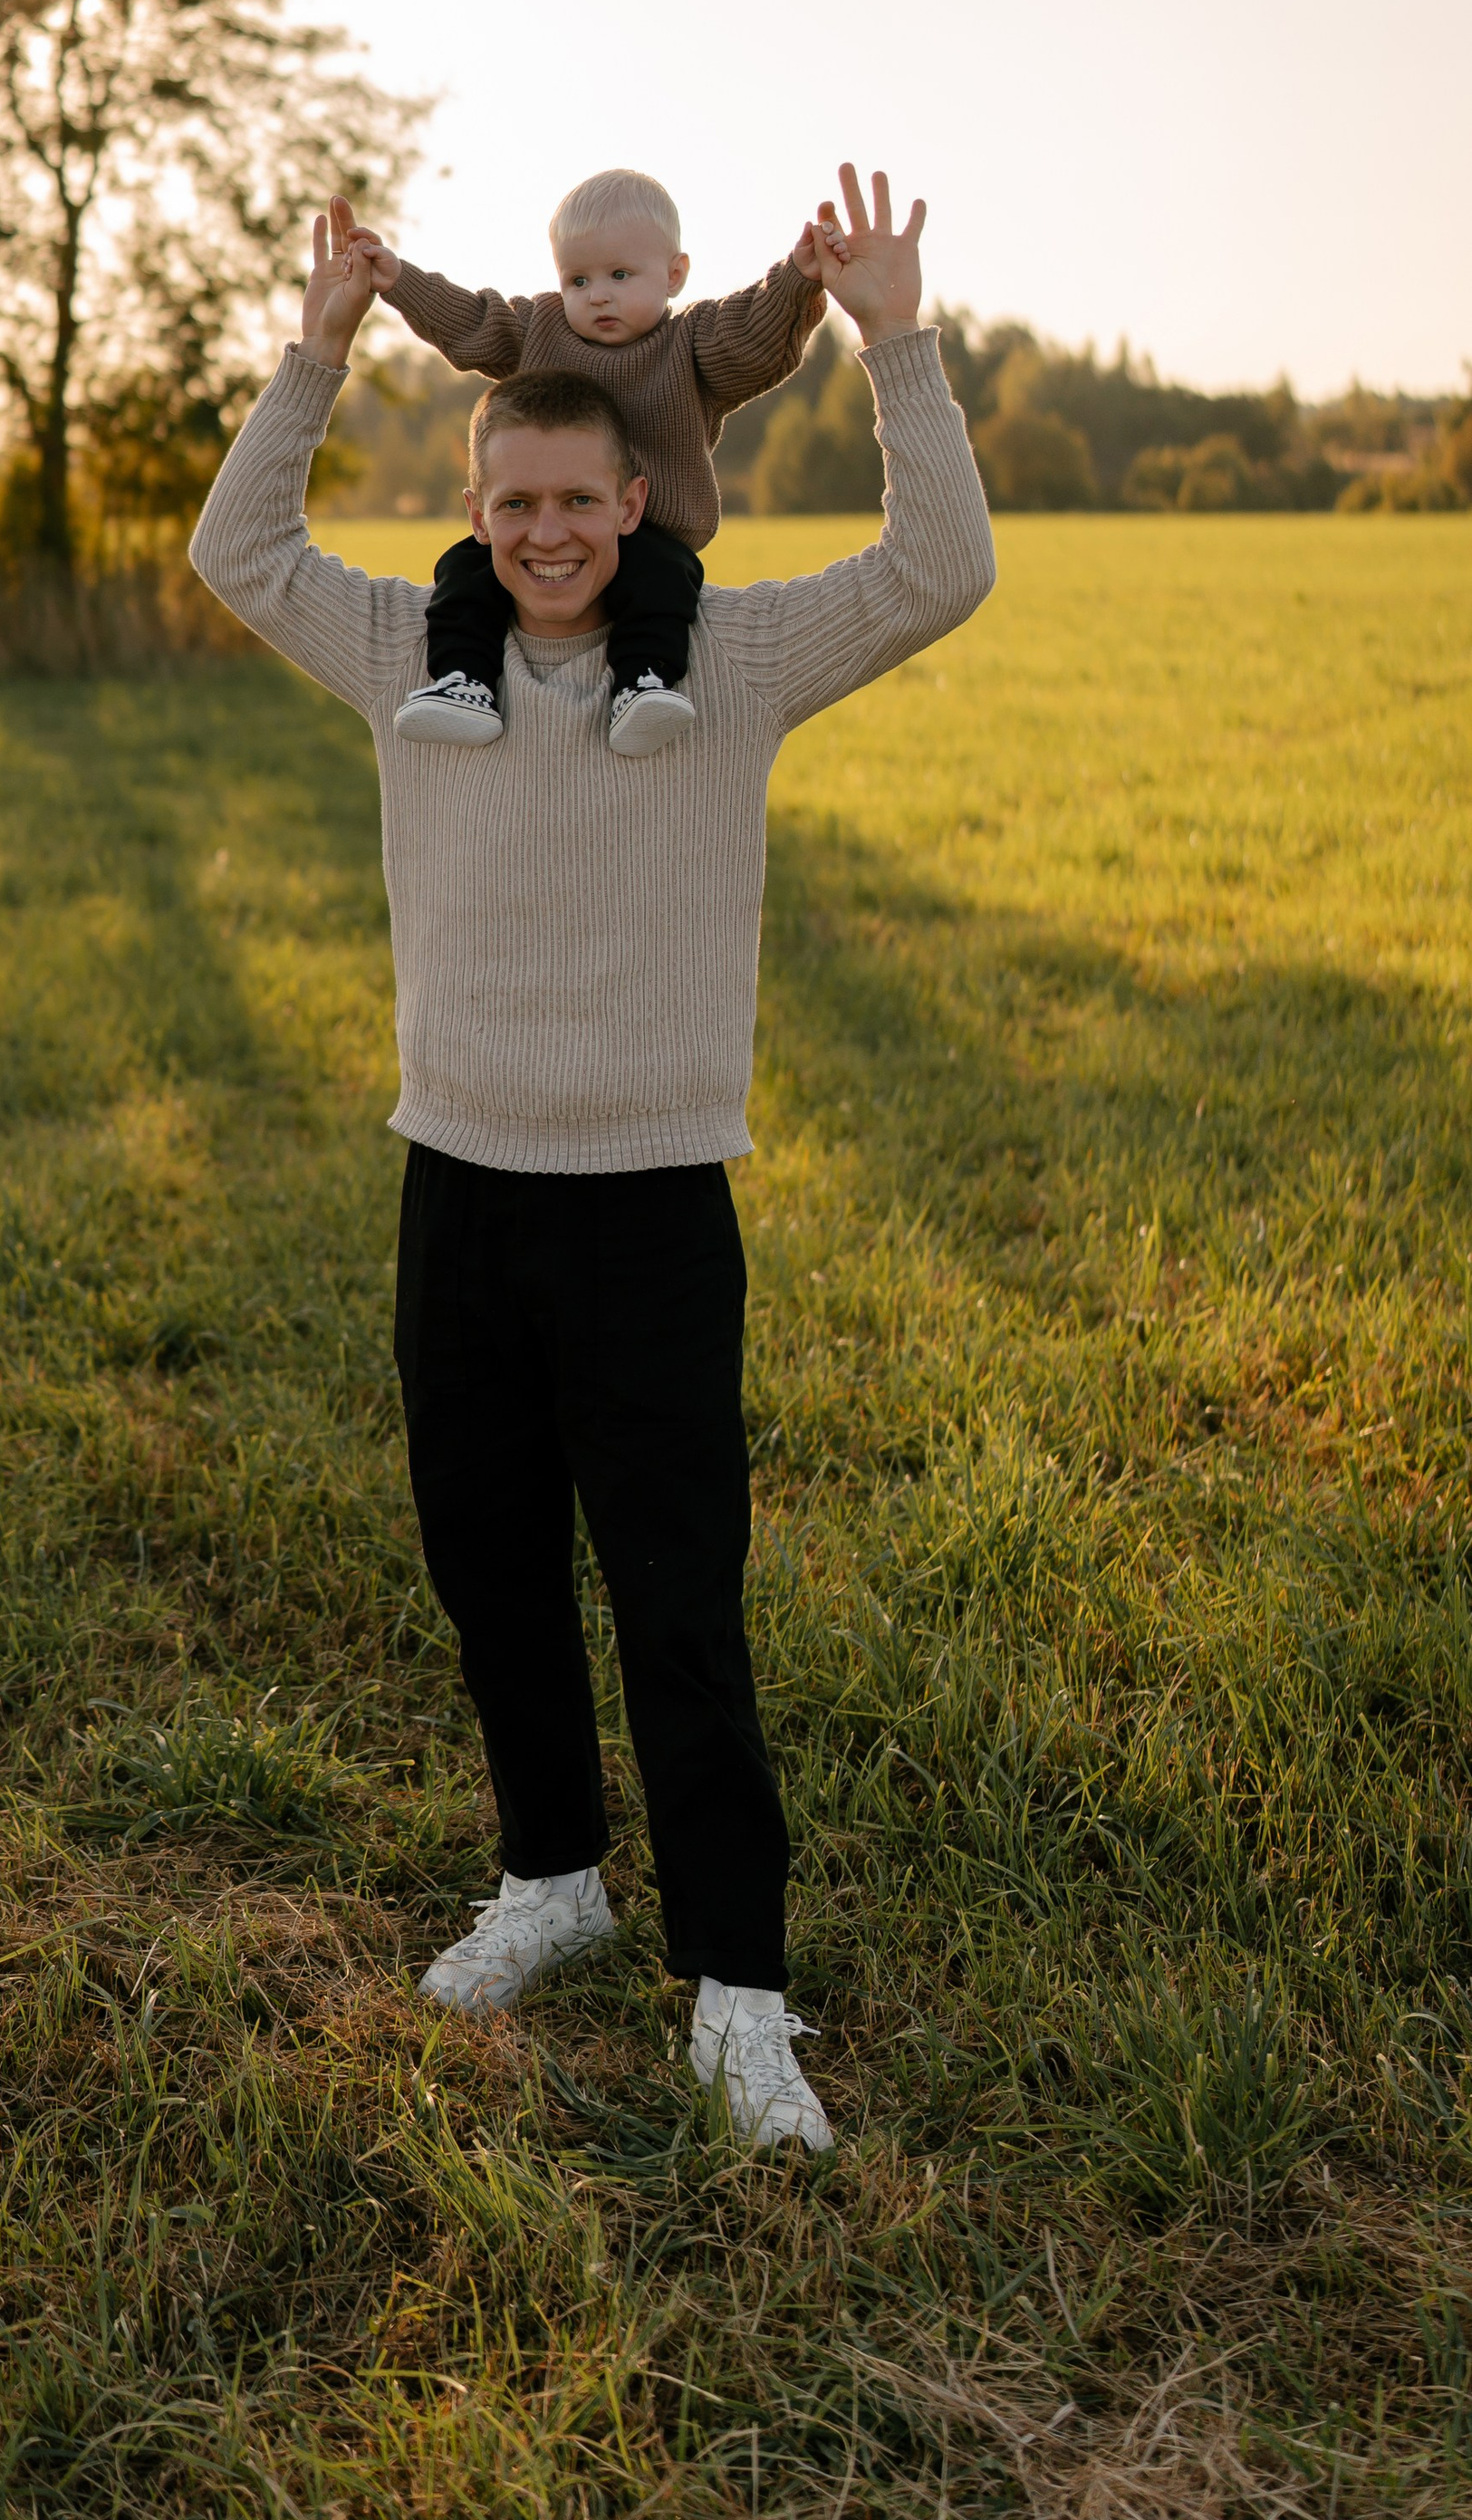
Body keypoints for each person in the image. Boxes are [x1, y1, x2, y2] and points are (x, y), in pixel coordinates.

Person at [188, 165, 996, 2150]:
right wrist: (313, 341)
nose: (547, 530)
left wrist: (894, 339)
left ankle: (736, 1993)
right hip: (453, 1193)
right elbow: (236, 550)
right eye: (512, 503)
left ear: (634, 505)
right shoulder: (408, 665)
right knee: (490, 1576)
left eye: (577, 501)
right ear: (479, 517)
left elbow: (934, 571)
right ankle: (549, 1880)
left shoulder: (722, 669)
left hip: (647, 1211)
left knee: (675, 1604)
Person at [343, 168, 825, 756]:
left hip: (651, 530)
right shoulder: (541, 329)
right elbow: (470, 320)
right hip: (547, 517)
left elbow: (752, 335)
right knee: (465, 572)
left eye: (620, 275)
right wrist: (400, 281)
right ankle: (464, 681)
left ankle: (642, 683)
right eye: (577, 279)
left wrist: (798, 279)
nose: (597, 294)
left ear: (675, 275)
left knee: (662, 583)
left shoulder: (691, 344)